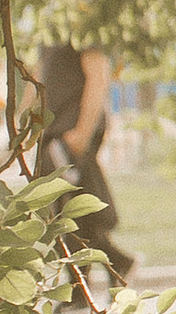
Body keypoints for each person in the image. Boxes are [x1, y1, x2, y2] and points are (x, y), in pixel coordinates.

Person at [31, 37, 134, 293]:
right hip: (55, 132)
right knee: (75, 210)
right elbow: (38, 80)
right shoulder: (49, 28)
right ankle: (109, 269)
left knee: (65, 210)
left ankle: (98, 274)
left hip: (72, 132)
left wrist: (82, 132)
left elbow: (98, 77)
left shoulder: (79, 28)